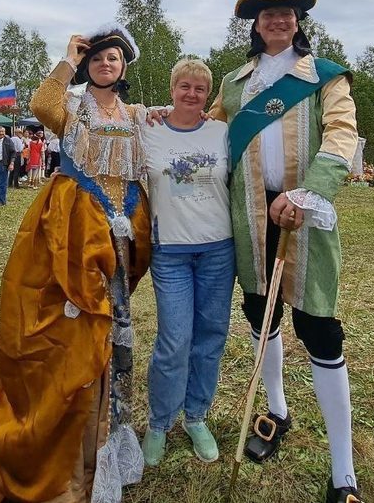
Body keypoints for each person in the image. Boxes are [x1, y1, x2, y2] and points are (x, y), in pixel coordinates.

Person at [0, 26, 151, 503]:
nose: (107, 64)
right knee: (68, 326)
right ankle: (63, 432)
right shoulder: (73, 106)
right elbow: (42, 105)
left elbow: (189, 123)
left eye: (115, 59)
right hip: (73, 225)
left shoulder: (139, 113)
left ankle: (103, 437)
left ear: (125, 67)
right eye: (99, 58)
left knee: (112, 323)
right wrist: (67, 59)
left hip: (123, 226)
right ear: (88, 65)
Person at [208, 0, 363, 503]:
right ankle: (275, 412)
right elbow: (206, 134)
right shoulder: (233, 84)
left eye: (285, 12)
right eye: (267, 14)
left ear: (297, 22)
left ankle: (343, 471)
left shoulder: (325, 77)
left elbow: (341, 137)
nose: (276, 19)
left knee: (317, 326)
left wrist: (309, 192)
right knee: (260, 314)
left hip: (306, 212)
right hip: (249, 214)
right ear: (255, 26)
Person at [140, 58, 234, 467]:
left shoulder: (223, 132)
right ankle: (159, 422)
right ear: (172, 88)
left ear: (207, 94)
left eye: (199, 88)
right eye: (184, 86)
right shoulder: (149, 129)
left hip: (218, 249)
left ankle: (196, 417)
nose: (191, 94)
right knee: (174, 340)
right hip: (170, 251)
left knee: (210, 338)